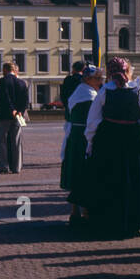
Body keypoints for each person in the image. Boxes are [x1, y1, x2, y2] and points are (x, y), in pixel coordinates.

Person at [79, 57, 140, 239]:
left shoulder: (104, 92)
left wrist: (91, 143)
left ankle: (107, 223)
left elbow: (92, 122)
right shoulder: (139, 92)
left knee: (108, 179)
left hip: (108, 140)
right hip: (133, 139)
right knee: (132, 181)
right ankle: (133, 223)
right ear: (128, 72)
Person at [61, 65, 99, 228]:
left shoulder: (78, 92)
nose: (100, 82)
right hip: (85, 137)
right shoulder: (90, 96)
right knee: (85, 173)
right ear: (88, 79)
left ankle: (75, 211)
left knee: (75, 173)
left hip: (74, 137)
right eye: (98, 79)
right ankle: (86, 211)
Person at [0, 62, 28, 174]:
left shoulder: (3, 80)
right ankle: (17, 167)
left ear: (5, 69)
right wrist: (20, 111)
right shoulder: (22, 82)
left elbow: (5, 97)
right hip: (18, 116)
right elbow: (25, 100)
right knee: (16, 141)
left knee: (2, 141)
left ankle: (3, 166)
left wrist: (12, 109)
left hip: (5, 114)